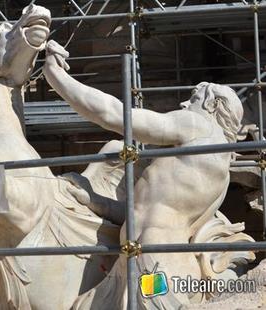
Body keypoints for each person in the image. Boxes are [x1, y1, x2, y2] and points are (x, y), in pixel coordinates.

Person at [43, 40, 244, 307]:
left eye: (195, 98)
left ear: (212, 105)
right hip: (145, 258)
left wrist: (56, 76)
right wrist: (98, 202)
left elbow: (113, 114)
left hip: (152, 261)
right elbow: (152, 209)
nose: (185, 103)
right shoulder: (220, 167)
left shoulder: (198, 125)